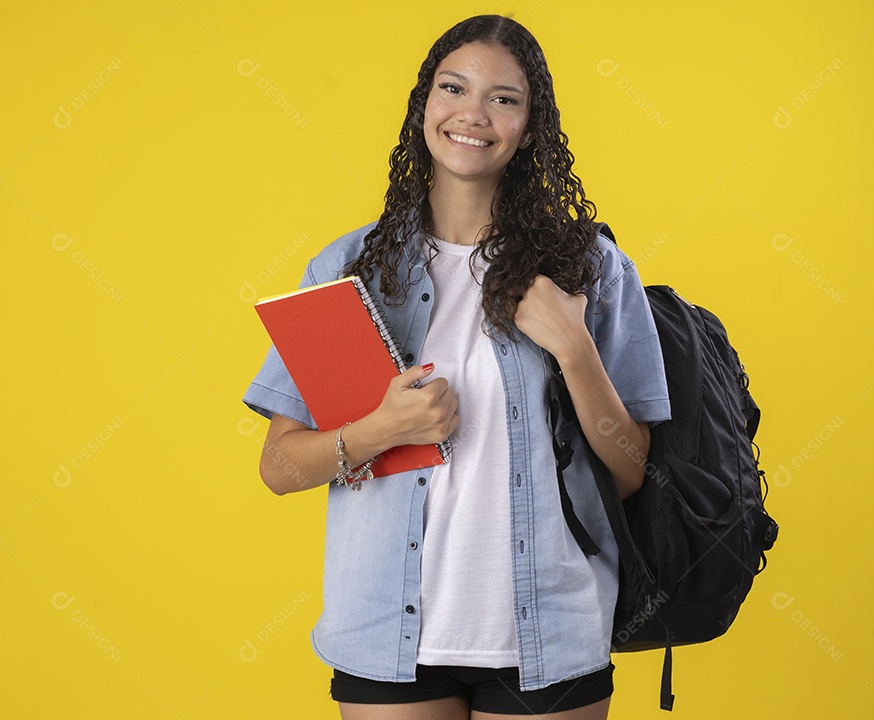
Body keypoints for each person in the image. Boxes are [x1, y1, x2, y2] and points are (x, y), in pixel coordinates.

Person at [243, 14, 669, 720]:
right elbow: (280, 469)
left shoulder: (587, 268)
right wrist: (382, 428)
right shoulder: (347, 273)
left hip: (549, 635)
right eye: (454, 88)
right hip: (387, 635)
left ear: (530, 128)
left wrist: (574, 347)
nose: (474, 113)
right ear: (425, 107)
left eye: (504, 98)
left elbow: (629, 470)